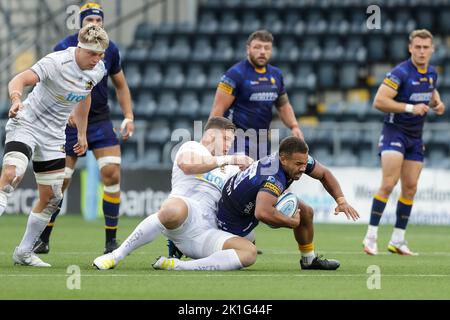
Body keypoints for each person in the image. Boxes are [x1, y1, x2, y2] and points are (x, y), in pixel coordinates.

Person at [0, 23, 108, 267]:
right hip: (27, 123)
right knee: (10, 175)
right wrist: (16, 99)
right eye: (92, 53)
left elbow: (85, 94)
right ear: (80, 48)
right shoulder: (56, 62)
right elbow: (19, 79)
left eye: (100, 54)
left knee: (52, 197)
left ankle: (24, 252)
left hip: (54, 136)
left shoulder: (98, 70)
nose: (97, 59)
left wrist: (82, 132)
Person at [33, 2, 134, 255]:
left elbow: (120, 85)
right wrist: (66, 111)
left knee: (111, 174)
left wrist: (129, 116)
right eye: (89, 20)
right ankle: (43, 238)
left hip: (99, 120)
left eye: (98, 21)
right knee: (59, 184)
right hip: (68, 124)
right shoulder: (64, 47)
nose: (95, 25)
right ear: (80, 23)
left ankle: (111, 241)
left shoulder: (110, 49)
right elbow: (50, 84)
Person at [93, 117, 257, 271]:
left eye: (231, 141)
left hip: (207, 232)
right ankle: (116, 255)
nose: (229, 145)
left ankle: (179, 265)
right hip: (185, 217)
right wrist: (230, 160)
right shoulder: (192, 147)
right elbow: (187, 165)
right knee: (173, 209)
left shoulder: (232, 168)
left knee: (249, 252)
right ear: (212, 135)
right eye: (227, 139)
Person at [216, 136, 360, 270]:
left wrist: (341, 201)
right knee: (245, 256)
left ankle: (308, 260)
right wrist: (291, 223)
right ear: (283, 160)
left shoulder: (295, 159)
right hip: (233, 220)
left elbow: (324, 174)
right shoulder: (273, 176)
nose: (303, 168)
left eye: (304, 163)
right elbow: (262, 213)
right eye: (298, 164)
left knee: (306, 211)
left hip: (249, 203)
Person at [362, 29, 445, 256]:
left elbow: (430, 90)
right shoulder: (400, 72)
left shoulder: (431, 73)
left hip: (415, 138)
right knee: (389, 184)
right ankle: (370, 237)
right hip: (394, 133)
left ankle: (398, 239)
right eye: (417, 47)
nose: (421, 51)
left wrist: (438, 104)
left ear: (432, 50)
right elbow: (379, 101)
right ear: (410, 48)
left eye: (425, 47)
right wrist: (410, 108)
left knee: (410, 188)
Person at [210, 29, 304, 160]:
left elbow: (283, 105)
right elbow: (218, 108)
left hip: (263, 141)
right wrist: (213, 137)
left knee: (261, 179)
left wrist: (294, 126)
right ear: (248, 49)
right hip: (237, 140)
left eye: (267, 48)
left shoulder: (276, 75)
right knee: (239, 178)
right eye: (257, 47)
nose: (262, 52)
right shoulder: (234, 74)